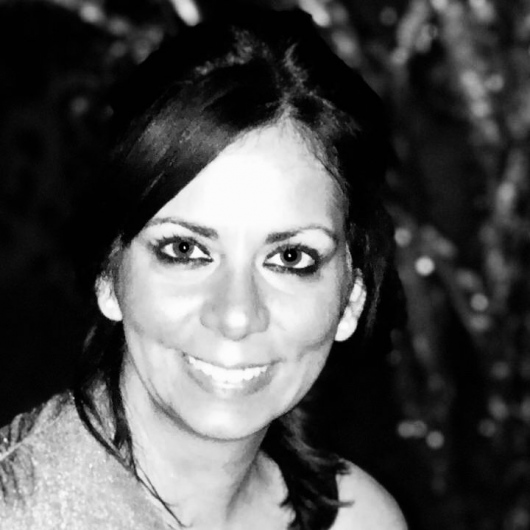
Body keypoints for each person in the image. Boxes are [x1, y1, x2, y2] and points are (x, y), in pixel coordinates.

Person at [0, 8, 407, 530]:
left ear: (351, 296)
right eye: (185, 250)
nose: (236, 315)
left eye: (290, 258)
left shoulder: (357, 519)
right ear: (109, 274)